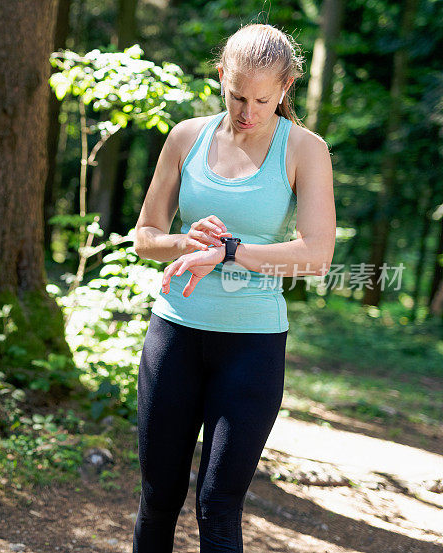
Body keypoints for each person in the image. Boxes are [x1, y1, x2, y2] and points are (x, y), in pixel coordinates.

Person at [130, 23, 336, 552]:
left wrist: (230, 250)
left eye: (262, 100)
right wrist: (183, 242)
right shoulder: (186, 137)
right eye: (237, 95)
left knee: (217, 508)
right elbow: (145, 238)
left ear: (286, 87)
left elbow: (316, 255)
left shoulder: (305, 150)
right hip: (173, 334)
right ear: (221, 76)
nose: (247, 111)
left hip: (252, 346)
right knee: (159, 499)